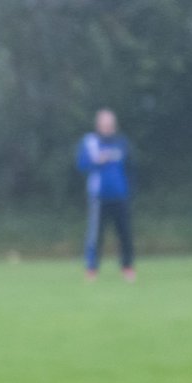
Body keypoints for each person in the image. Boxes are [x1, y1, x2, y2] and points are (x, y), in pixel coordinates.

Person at [77, 108, 135, 282]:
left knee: (124, 233)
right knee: (95, 235)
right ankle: (92, 269)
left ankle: (127, 267)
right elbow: (81, 164)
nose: (107, 127)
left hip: (120, 195)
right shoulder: (90, 142)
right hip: (99, 197)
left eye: (110, 123)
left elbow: (131, 167)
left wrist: (130, 189)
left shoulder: (122, 143)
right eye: (104, 123)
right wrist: (97, 161)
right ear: (98, 125)